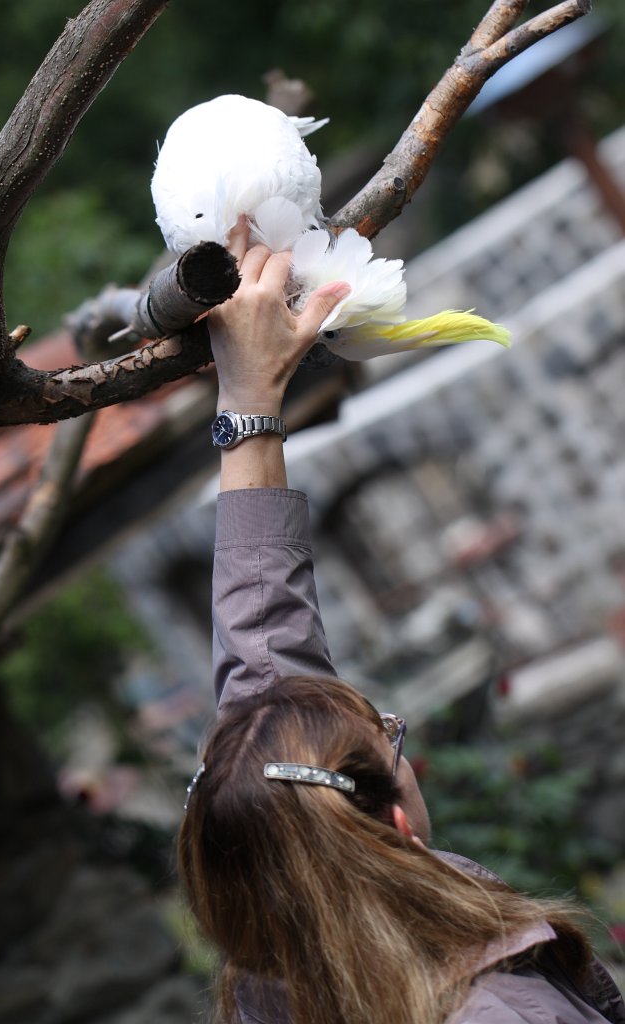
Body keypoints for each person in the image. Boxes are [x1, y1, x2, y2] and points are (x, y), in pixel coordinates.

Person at [178, 223, 624, 1024]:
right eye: (392, 738)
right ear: (395, 825)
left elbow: (267, 668)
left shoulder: (279, 977)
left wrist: (248, 402)